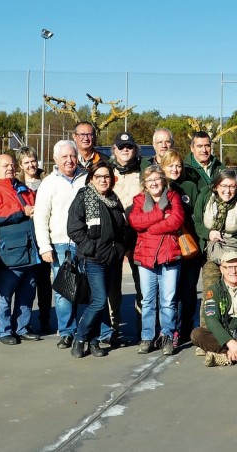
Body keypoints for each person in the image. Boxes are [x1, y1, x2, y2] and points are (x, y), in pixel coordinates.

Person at [66, 161, 124, 358]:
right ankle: (80, 337)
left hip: (111, 258)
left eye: (107, 176)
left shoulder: (113, 200)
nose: (103, 180)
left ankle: (93, 341)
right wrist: (91, 248)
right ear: (91, 178)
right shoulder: (84, 198)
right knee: (99, 302)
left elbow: (119, 229)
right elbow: (74, 229)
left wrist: (120, 249)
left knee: (98, 300)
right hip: (92, 259)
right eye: (99, 176)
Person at [34, 140, 87, 349]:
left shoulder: (86, 178)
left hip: (84, 243)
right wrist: (44, 246)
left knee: (85, 288)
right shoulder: (49, 183)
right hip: (60, 244)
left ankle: (84, 329)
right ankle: (66, 331)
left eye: (72, 156)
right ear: (56, 159)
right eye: (64, 157)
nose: (69, 160)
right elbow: (40, 217)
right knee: (64, 291)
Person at [0, 154, 42, 345]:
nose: (10, 168)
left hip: (30, 249)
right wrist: (21, 210)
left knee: (27, 294)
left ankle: (22, 327)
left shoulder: (22, 187)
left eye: (11, 164)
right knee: (5, 295)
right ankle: (4, 330)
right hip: (7, 252)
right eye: (4, 165)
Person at [129, 165, 185, 355]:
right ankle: (147, 337)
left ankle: (167, 336)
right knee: (147, 301)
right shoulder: (138, 200)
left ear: (163, 180)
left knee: (168, 301)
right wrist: (160, 215)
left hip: (169, 255)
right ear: (144, 184)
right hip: (145, 258)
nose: (154, 183)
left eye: (157, 179)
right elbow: (135, 222)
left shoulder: (173, 197)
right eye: (149, 180)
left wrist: (150, 227)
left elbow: (176, 220)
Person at [193, 168, 237, 305]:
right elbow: (196, 221)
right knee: (210, 293)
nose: (227, 191)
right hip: (211, 252)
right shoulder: (205, 196)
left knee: (236, 294)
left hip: (235, 252)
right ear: (216, 186)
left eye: (232, 186)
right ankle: (207, 326)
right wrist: (208, 233)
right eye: (224, 186)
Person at [161, 150, 201, 344]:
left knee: (188, 289)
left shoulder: (190, 187)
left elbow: (197, 215)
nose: (175, 169)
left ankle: (186, 327)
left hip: (189, 246)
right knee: (171, 291)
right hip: (168, 247)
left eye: (178, 165)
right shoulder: (159, 187)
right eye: (170, 166)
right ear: (162, 168)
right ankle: (171, 329)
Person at [109, 132, 144, 344]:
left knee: (143, 285)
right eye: (121, 147)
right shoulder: (106, 172)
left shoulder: (143, 172)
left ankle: (144, 329)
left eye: (129, 147)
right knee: (112, 286)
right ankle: (113, 328)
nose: (125, 150)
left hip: (138, 234)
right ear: (114, 149)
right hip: (114, 234)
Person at [16, 147, 52, 334]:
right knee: (26, 283)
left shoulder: (47, 181)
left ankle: (45, 318)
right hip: (25, 238)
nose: (31, 165)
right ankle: (23, 321)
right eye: (26, 162)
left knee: (44, 282)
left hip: (45, 237)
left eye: (33, 161)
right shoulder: (16, 184)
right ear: (20, 165)